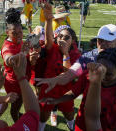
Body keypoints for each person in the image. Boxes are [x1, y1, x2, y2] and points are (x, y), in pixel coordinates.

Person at [35, 24, 116, 100]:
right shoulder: (88, 57)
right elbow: (70, 74)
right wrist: (55, 79)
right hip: (91, 104)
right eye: (100, 40)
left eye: (108, 41)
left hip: (115, 105)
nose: (103, 44)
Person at [45, 49, 116, 130]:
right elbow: (73, 93)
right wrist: (56, 100)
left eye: (108, 74)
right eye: (100, 72)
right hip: (81, 126)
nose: (102, 77)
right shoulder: (88, 75)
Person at [36, 3, 81, 131]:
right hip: (48, 89)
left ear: (73, 41)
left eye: (67, 37)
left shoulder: (76, 54)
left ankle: (71, 124)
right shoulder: (53, 48)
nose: (62, 39)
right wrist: (49, 19)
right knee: (43, 115)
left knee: (69, 113)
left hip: (66, 91)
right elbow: (48, 39)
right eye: (60, 36)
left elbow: (68, 74)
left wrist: (66, 53)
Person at [1, 8, 32, 122]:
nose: (19, 35)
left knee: (19, 103)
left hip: (22, 78)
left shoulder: (19, 41)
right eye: (14, 33)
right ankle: (17, 122)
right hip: (14, 83)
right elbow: (8, 59)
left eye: (20, 32)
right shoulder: (7, 46)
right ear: (7, 32)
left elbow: (24, 56)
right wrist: (22, 54)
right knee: (15, 106)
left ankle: (18, 114)